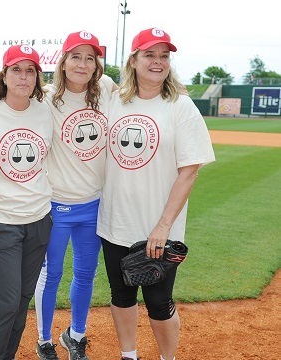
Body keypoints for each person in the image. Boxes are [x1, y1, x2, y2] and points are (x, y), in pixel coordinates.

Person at [97, 28, 215, 360]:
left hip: (158, 226)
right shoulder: (115, 101)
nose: (158, 61)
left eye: (164, 55)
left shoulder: (181, 106)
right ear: (133, 60)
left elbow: (189, 171)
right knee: (121, 296)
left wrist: (163, 226)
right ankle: (128, 355)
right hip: (115, 220)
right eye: (149, 54)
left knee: (159, 304)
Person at [34, 30, 118, 360]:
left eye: (90, 58)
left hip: (94, 203)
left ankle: (76, 335)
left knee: (86, 274)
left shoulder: (107, 90)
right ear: (63, 61)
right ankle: (43, 340)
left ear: (97, 65)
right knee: (51, 273)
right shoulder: (46, 97)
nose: (83, 63)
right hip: (56, 204)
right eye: (76, 56)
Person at [0, 44, 53, 360]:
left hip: (38, 220)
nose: (23, 76)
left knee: (21, 301)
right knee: (5, 303)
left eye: (30, 70)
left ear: (37, 77)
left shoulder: (46, 111)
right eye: (16, 69)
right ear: (3, 75)